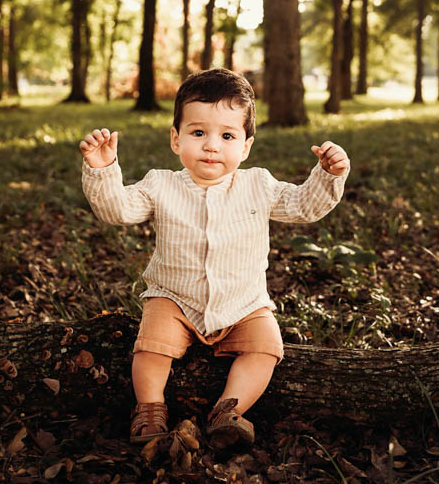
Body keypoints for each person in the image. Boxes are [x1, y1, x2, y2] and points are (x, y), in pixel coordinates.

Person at [79, 68, 350, 448]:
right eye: (198, 133)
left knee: (266, 347)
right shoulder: (161, 185)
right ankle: (150, 408)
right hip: (174, 297)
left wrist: (326, 174)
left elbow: (304, 206)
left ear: (245, 146)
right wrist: (102, 169)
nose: (211, 145)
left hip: (244, 302)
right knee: (151, 346)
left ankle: (229, 410)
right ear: (176, 139)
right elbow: (117, 210)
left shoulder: (259, 185)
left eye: (226, 135)